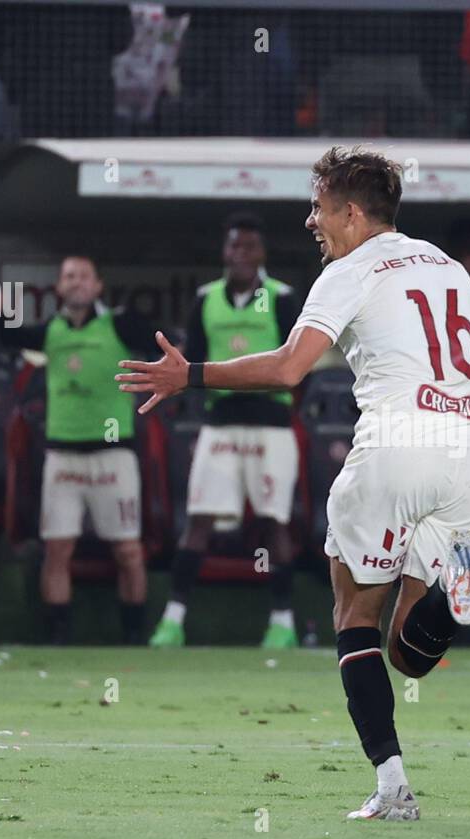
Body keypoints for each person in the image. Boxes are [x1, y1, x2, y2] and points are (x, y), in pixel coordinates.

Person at [117, 146, 470, 822]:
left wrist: (189, 375)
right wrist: (455, 423)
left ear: (354, 213)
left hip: (394, 447)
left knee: (354, 618)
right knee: (410, 655)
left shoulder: (350, 269)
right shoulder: (446, 265)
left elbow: (287, 370)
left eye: (319, 207)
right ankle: (453, 599)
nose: (312, 222)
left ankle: (393, 789)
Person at [148, 213, 303, 650]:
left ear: (262, 254)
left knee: (275, 523)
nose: (242, 254)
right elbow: (188, 364)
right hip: (221, 424)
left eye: (250, 247)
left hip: (272, 424)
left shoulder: (282, 298)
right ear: (225, 251)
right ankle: (173, 620)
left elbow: (298, 364)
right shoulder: (205, 300)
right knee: (199, 519)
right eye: (235, 246)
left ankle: (283, 622)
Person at [0, 256, 154, 644]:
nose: (77, 283)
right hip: (62, 458)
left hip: (114, 457)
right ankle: (59, 637)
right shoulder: (50, 332)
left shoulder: (118, 325)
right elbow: (6, 334)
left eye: (84, 276)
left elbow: (166, 341)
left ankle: (134, 637)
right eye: (69, 276)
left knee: (128, 552)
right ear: (58, 287)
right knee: (57, 550)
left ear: (98, 286)